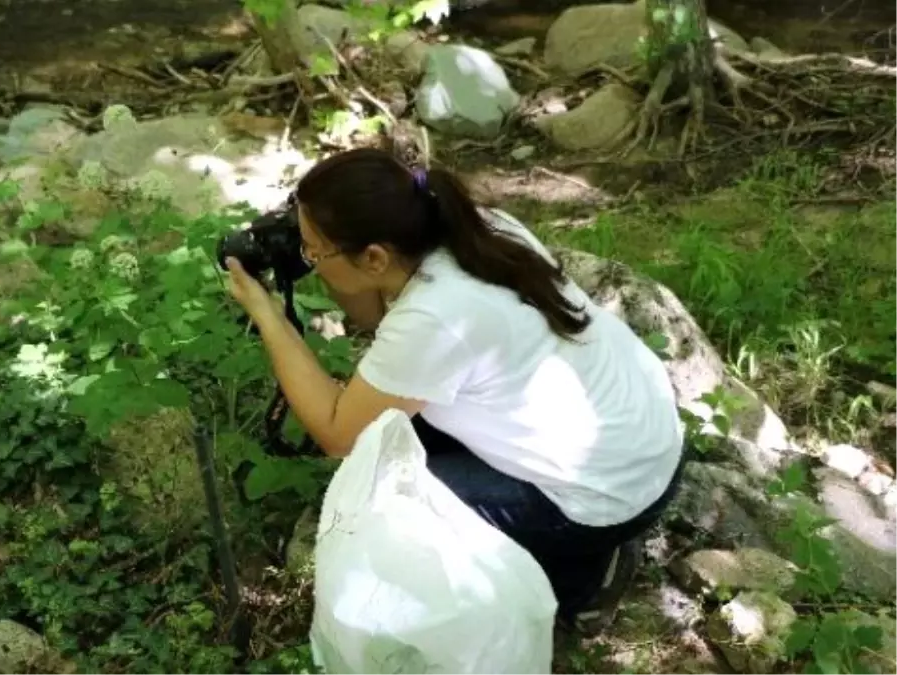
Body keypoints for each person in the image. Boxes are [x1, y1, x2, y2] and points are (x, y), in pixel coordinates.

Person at [222, 147, 686, 635]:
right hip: (647, 443)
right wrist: (333, 255)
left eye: (314, 248)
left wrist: (269, 316)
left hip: (608, 495)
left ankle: (580, 580)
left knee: (379, 504)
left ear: (375, 256)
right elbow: (378, 314)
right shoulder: (476, 227)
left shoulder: (436, 316)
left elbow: (338, 434)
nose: (307, 257)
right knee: (399, 435)